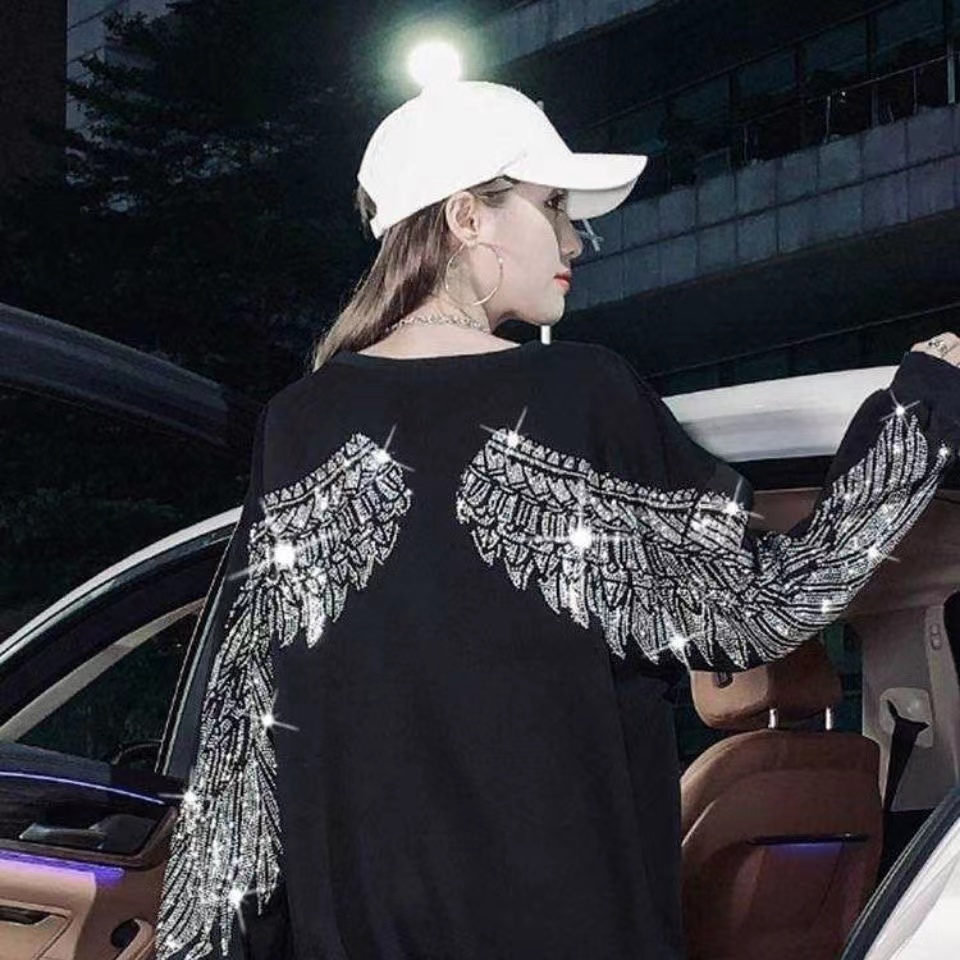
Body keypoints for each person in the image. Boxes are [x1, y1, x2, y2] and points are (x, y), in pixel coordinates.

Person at [154, 80, 960, 960]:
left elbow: (242, 741)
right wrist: (920, 413)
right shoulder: (578, 393)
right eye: (553, 207)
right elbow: (757, 609)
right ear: (467, 217)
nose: (575, 240)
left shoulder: (296, 425)